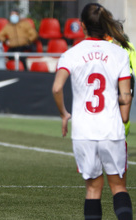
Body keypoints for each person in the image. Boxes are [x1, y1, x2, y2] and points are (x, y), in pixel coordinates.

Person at [52, 3, 133, 220]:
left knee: (93, 190)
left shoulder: (71, 54)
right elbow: (125, 96)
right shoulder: (119, 53)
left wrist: (63, 114)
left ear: (81, 25)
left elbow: (57, 87)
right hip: (111, 130)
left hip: (84, 131)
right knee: (118, 188)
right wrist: (123, 118)